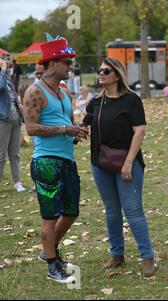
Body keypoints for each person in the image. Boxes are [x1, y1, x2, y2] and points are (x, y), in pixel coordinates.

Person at [23, 35, 89, 284]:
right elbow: (30, 128)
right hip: (46, 161)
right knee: (49, 217)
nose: (70, 66)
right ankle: (53, 265)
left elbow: (64, 123)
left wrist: (75, 131)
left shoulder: (63, 91)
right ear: (52, 64)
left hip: (67, 159)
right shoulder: (34, 92)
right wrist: (65, 130)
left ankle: (47, 250)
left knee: (71, 212)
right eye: (66, 62)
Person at [85, 57, 158, 277]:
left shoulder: (131, 100)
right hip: (101, 163)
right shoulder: (96, 101)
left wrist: (128, 162)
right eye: (99, 70)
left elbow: (140, 131)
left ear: (117, 75)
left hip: (127, 164)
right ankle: (117, 254)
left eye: (106, 70)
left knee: (133, 211)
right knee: (111, 211)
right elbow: (87, 121)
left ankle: (147, 258)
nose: (101, 73)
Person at [0, 58, 26, 192]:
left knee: (15, 154)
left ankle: (17, 182)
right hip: (3, 120)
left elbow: (13, 95)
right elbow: (1, 87)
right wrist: (4, 69)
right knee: (1, 154)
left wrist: (19, 104)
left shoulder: (8, 82)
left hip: (16, 119)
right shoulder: (3, 80)